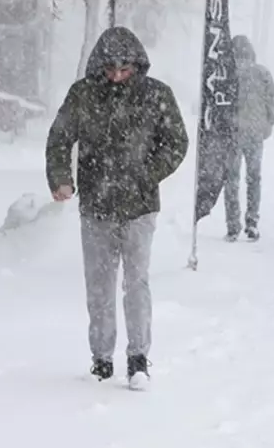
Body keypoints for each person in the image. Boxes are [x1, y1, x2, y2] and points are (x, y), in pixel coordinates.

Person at [46, 26, 189, 389]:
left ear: (137, 65)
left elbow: (177, 141)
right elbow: (60, 137)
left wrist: (148, 174)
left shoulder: (157, 95)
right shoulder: (83, 95)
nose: (116, 76)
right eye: (110, 69)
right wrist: (61, 178)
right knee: (99, 284)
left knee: (136, 282)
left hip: (140, 208)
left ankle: (138, 357)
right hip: (96, 206)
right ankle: (101, 359)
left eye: (124, 69)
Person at [224, 35, 274, 242]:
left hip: (232, 133)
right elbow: (273, 99)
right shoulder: (262, 72)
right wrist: (268, 123)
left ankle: (232, 225)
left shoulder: (226, 74)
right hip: (255, 133)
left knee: (231, 180)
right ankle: (252, 221)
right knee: (254, 178)